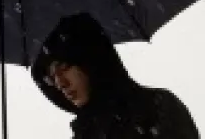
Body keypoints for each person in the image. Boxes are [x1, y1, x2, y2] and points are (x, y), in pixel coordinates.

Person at [31, 12, 200, 139]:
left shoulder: (159, 108)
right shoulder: (84, 133)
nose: (60, 83)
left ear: (89, 61)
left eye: (64, 67)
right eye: (52, 77)